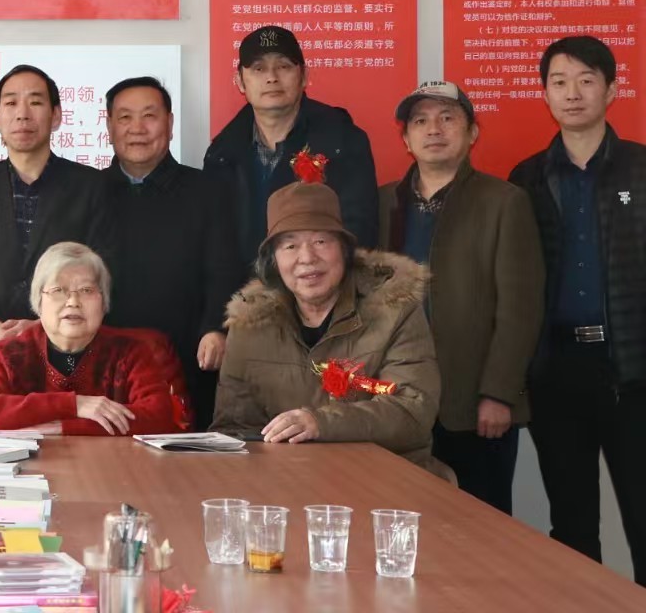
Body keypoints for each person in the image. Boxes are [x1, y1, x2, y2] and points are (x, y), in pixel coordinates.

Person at [509, 35, 646, 584]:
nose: (573, 93)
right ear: (544, 93)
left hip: (633, 373)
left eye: (587, 80)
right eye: (559, 82)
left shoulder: (640, 169)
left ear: (611, 90)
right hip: (558, 372)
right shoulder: (527, 178)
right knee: (572, 526)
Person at [379, 81, 543, 513]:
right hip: (398, 400)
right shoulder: (384, 203)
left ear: (472, 132)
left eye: (447, 118)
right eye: (420, 121)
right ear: (406, 139)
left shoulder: (504, 202)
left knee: (481, 526)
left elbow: (520, 309)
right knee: (401, 520)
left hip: (474, 405)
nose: (434, 129)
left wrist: (499, 393)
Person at [214, 182, 441, 470]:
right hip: (289, 479)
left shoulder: (395, 310)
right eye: (290, 246)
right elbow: (233, 431)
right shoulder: (249, 325)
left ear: (345, 251)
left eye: (321, 241)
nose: (307, 258)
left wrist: (321, 423)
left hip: (385, 476)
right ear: (273, 262)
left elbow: (412, 413)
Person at [0, 65, 117, 353]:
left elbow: (105, 267)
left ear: (56, 115)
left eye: (35, 102)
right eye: (11, 103)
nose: (22, 114)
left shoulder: (91, 186)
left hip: (70, 346)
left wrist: (43, 325)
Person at [101, 76, 242, 428]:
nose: (137, 128)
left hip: (188, 356)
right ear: (109, 126)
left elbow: (224, 269)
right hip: (105, 362)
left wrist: (216, 328)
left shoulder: (207, 191)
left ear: (170, 123)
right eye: (125, 117)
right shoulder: (88, 192)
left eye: (149, 116)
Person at [204, 25, 378, 269]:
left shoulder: (343, 141)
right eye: (259, 68)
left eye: (284, 66)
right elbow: (216, 246)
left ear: (304, 76)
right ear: (240, 82)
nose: (272, 77)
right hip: (245, 290)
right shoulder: (221, 155)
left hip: (319, 283)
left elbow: (359, 232)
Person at [0, 242, 175, 435]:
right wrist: (74, 405)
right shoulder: (9, 353)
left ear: (104, 304)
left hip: (110, 464)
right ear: (38, 303)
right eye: (58, 290)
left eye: (86, 290)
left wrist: (62, 427)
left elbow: (160, 418)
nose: (73, 301)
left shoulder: (130, 352)